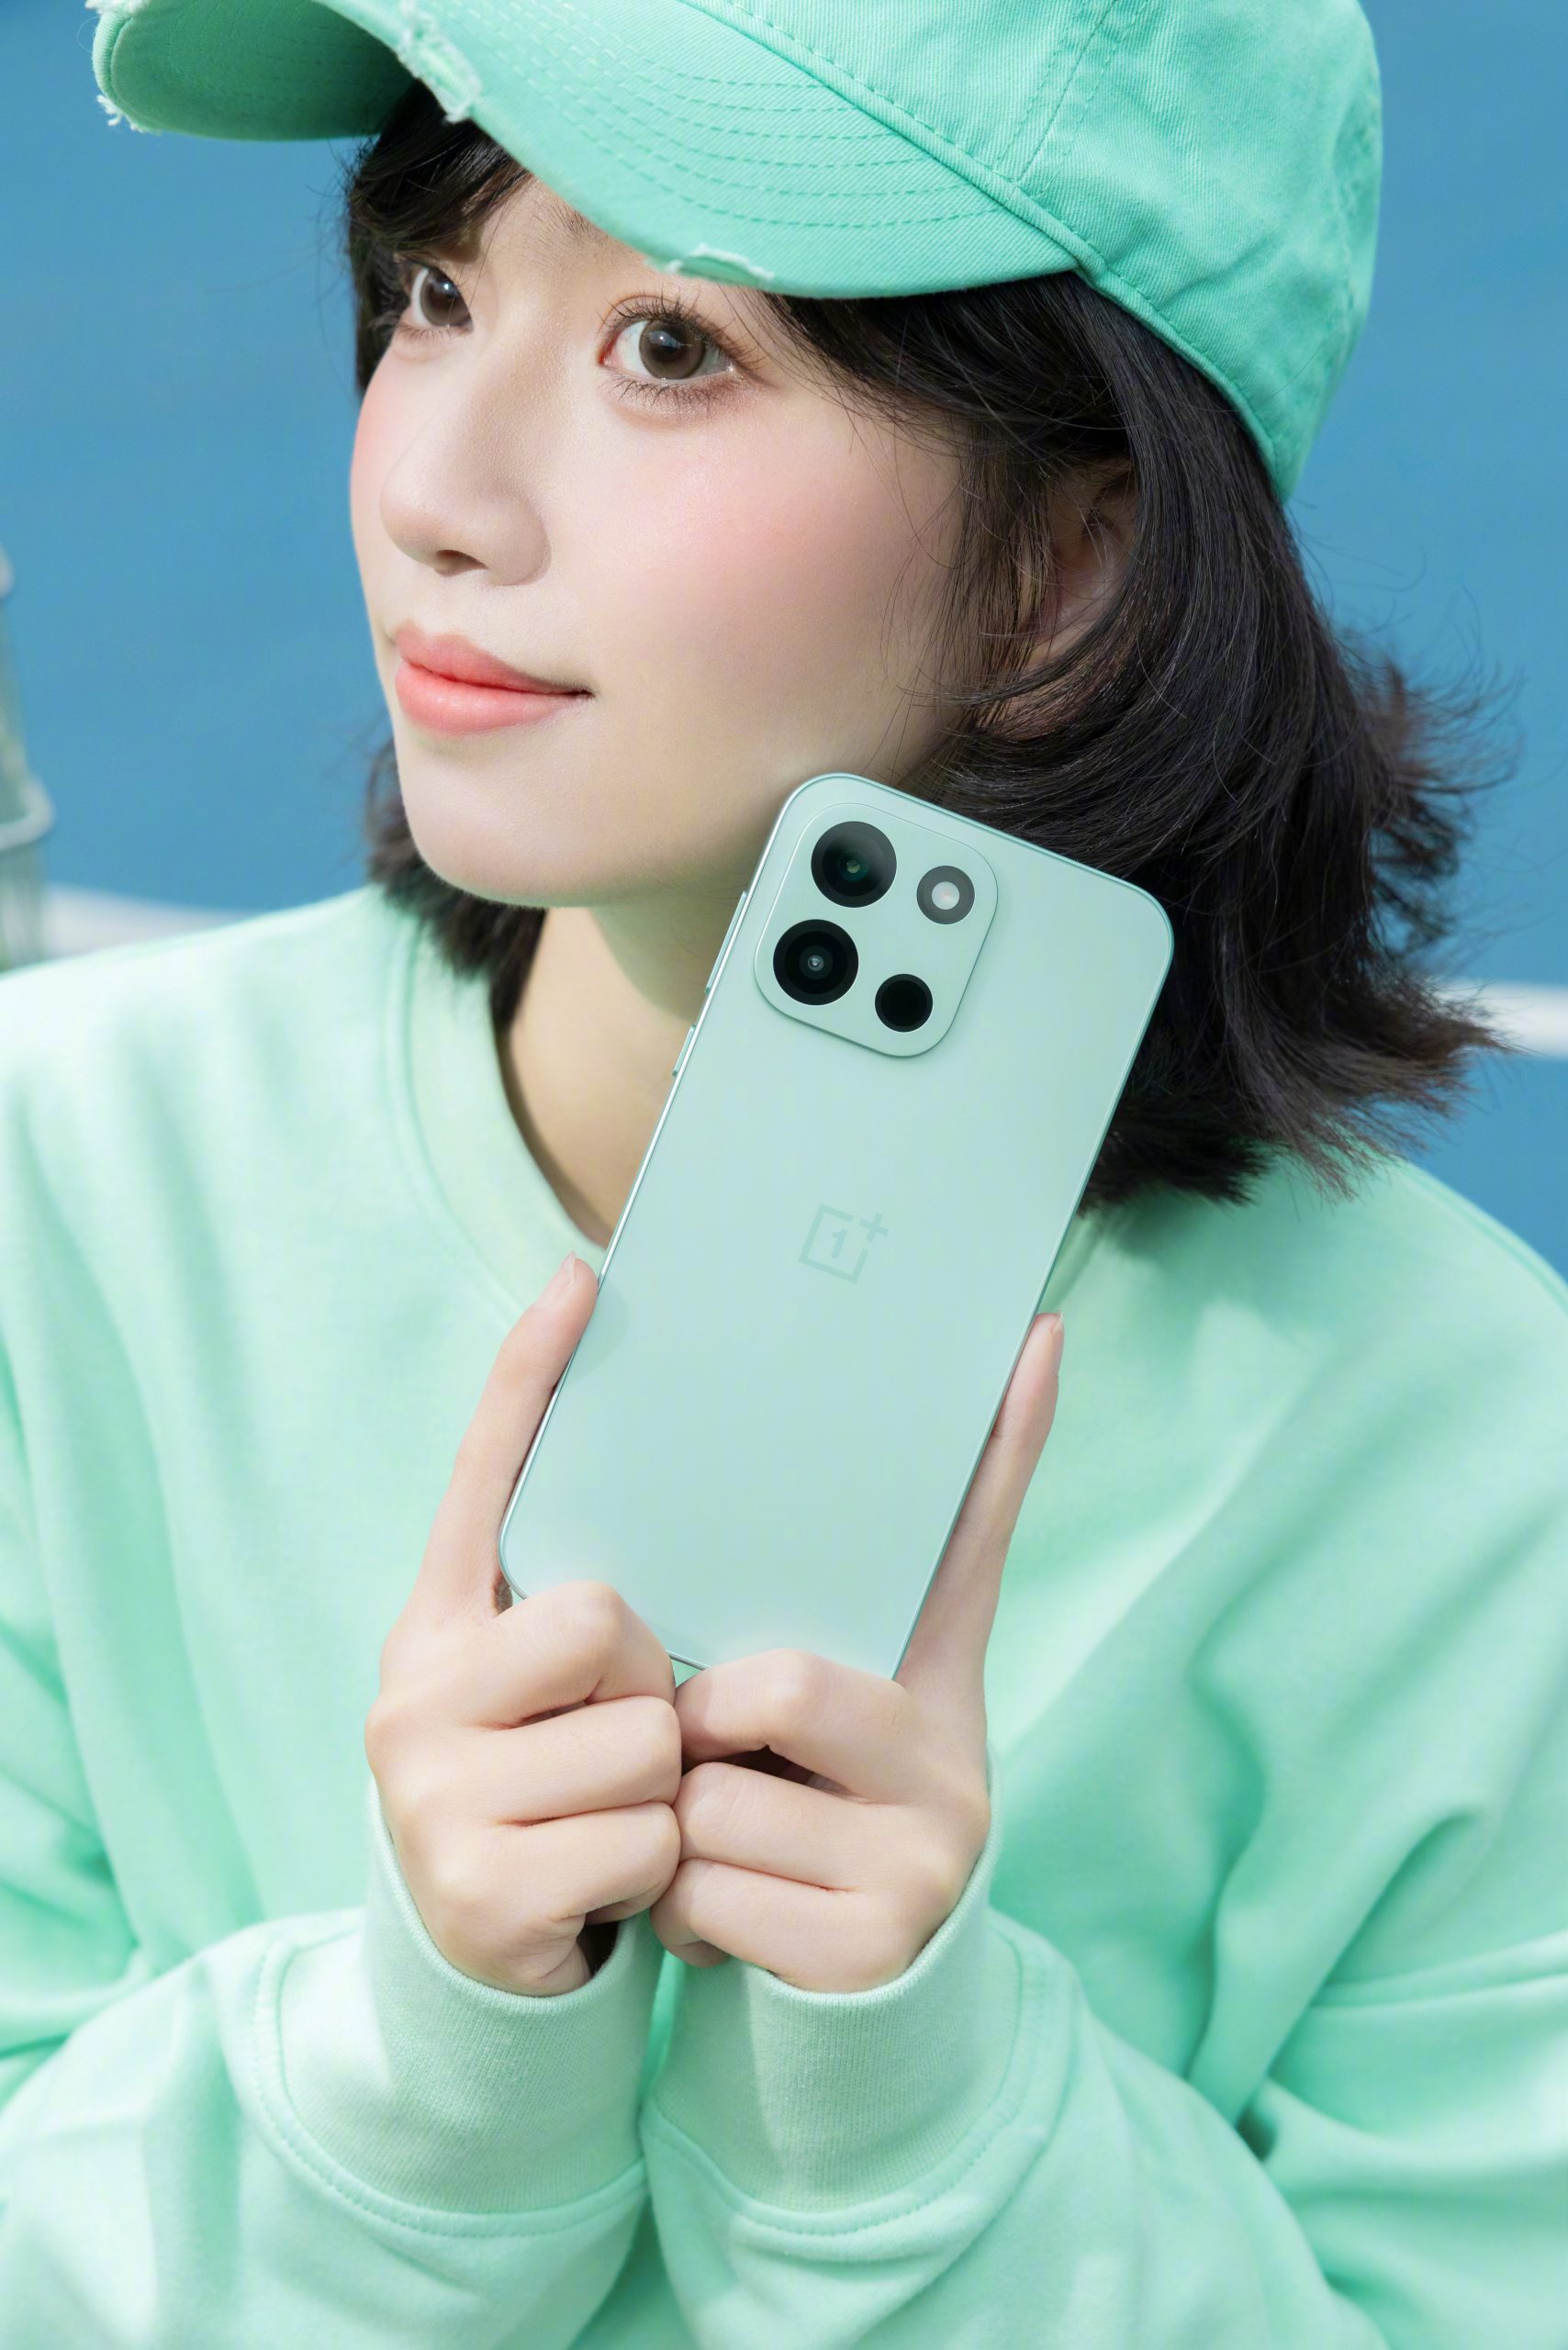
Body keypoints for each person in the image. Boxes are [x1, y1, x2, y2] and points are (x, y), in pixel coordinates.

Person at [1, 1, 1562, 2342]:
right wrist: (410, 2073)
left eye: (668, 347)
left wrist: (921, 2112)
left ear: (1070, 563)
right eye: (434, 289)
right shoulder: (49, 1185)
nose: (440, 488)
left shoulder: (1468, 1462)